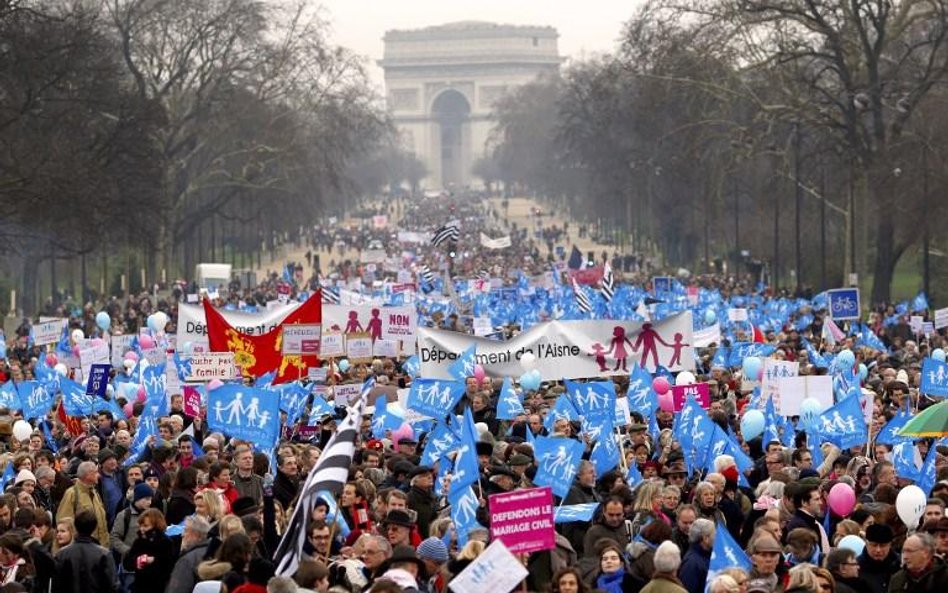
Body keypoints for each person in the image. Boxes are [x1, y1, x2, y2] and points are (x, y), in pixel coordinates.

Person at [53, 509, 120, 593]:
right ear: (94, 527)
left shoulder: (61, 554)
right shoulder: (104, 554)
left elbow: (56, 585)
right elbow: (113, 585)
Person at [57, 461, 109, 546]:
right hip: (82, 548)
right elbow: (63, 522)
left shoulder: (95, 493)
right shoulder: (71, 494)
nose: (99, 475)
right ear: (88, 475)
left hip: (100, 548)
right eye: (96, 472)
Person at [122, 508, 174, 593]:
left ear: (156, 526)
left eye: (145, 526)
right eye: (140, 525)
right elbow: (127, 563)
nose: (141, 529)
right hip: (139, 587)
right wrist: (137, 561)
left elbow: (169, 567)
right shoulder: (139, 541)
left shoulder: (166, 543)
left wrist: (153, 560)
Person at [166, 515, 212, 593]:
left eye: (186, 530)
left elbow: (178, 589)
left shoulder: (187, 561)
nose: (182, 534)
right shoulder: (212, 552)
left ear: (196, 534)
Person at [858, 524, 900, 593]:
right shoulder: (856, 568)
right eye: (874, 545)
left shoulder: (900, 565)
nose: (878, 550)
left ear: (890, 544)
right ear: (866, 543)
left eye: (883, 546)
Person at [678, 518, 714, 592]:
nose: (716, 537)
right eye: (713, 534)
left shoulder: (707, 555)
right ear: (705, 538)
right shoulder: (691, 564)